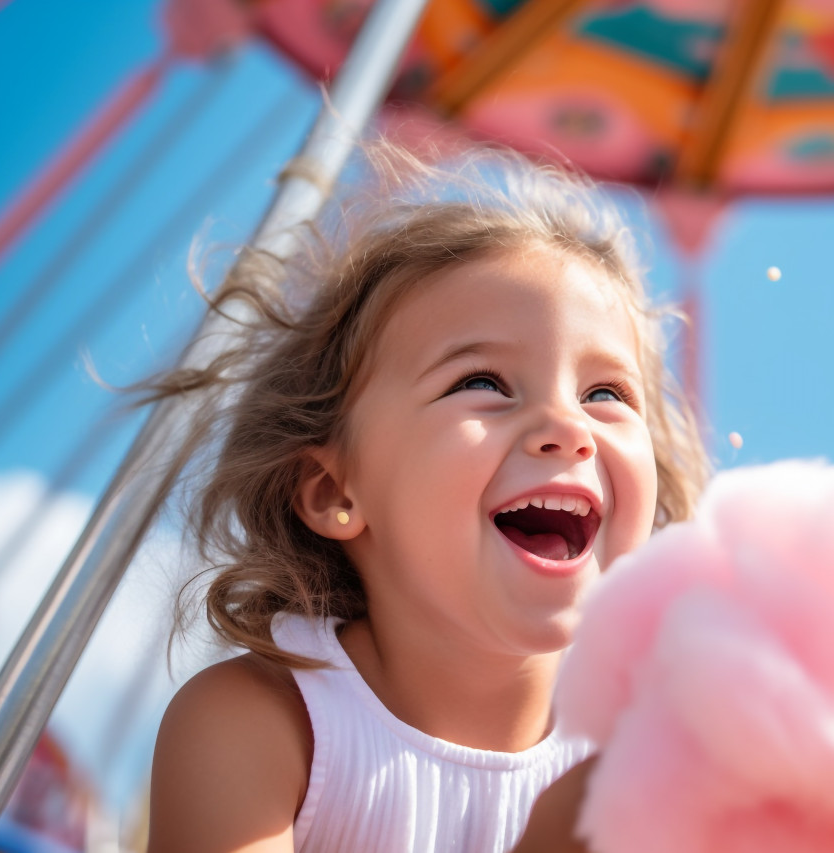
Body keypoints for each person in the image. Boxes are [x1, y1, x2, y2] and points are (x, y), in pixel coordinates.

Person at [145, 143, 709, 852]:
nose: (569, 428)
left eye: (605, 393)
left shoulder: (653, 745)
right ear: (333, 490)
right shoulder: (260, 723)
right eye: (483, 382)